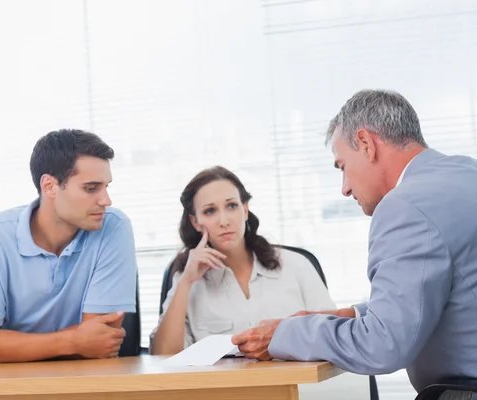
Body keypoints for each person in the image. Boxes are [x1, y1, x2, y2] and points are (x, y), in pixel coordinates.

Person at [232, 89, 477, 393]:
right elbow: (454, 292)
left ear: (366, 143)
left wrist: (283, 334)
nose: (345, 189)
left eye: (342, 166)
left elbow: (383, 345)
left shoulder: (405, 205)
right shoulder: (467, 172)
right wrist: (355, 314)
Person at [0, 129, 137, 363]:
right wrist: (72, 340)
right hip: (8, 387)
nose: (106, 201)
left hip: (83, 383)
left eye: (106, 186)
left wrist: (8, 346)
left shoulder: (113, 227)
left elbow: (98, 343)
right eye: (91, 188)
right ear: (49, 186)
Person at [150, 166, 336, 355]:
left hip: (295, 383)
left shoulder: (296, 265)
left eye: (232, 206)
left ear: (245, 210)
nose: (224, 221)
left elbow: (332, 335)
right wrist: (186, 282)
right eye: (210, 211)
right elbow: (163, 356)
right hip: (225, 385)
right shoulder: (187, 279)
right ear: (195, 222)